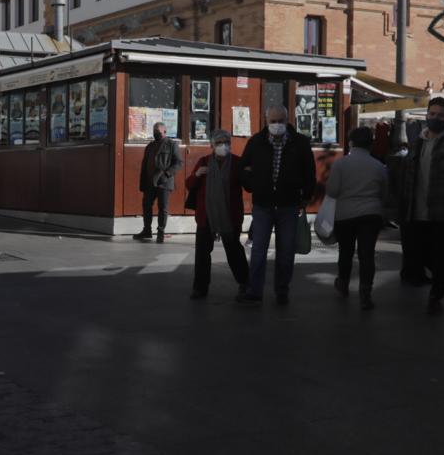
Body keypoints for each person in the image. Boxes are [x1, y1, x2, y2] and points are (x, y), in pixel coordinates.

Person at [239, 106, 316, 306]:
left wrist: (306, 196)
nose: (277, 125)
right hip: (263, 204)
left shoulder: (299, 143)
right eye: (273, 121)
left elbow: (309, 172)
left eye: (280, 120)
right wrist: (252, 185)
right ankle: (255, 291)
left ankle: (282, 290)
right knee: (258, 250)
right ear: (266, 121)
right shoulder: (256, 141)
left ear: (287, 119)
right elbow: (244, 169)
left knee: (286, 250)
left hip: (288, 205)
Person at [397, 97, 444, 310]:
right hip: (415, 209)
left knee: (439, 254)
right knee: (417, 253)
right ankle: (442, 278)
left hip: (441, 209)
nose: (435, 118)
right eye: (432, 114)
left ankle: (436, 294)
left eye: (440, 115)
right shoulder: (417, 142)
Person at [327, 126, 389, 310]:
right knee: (367, 254)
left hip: (345, 215)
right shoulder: (378, 166)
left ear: (351, 142)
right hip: (371, 214)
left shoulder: (340, 164)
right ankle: (365, 294)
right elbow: (384, 193)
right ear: (371, 144)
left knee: (345, 252)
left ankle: (343, 284)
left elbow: (332, 190)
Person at [185, 129, 247, 300]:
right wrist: (197, 175)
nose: (223, 146)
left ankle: (244, 283)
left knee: (234, 251)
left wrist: (250, 172)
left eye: (226, 142)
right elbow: (189, 184)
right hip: (206, 216)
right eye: (219, 143)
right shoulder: (204, 162)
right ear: (212, 146)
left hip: (230, 216)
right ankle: (200, 288)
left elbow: (248, 185)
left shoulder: (237, 163)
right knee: (202, 253)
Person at [134, 122, 183, 242]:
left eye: (158, 132)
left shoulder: (171, 144)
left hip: (164, 182)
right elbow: (144, 165)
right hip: (150, 182)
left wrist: (167, 174)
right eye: (154, 131)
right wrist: (142, 183)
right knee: (146, 206)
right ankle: (147, 230)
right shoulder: (150, 146)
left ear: (164, 132)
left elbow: (178, 163)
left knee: (163, 208)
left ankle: (160, 231)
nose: (156, 133)